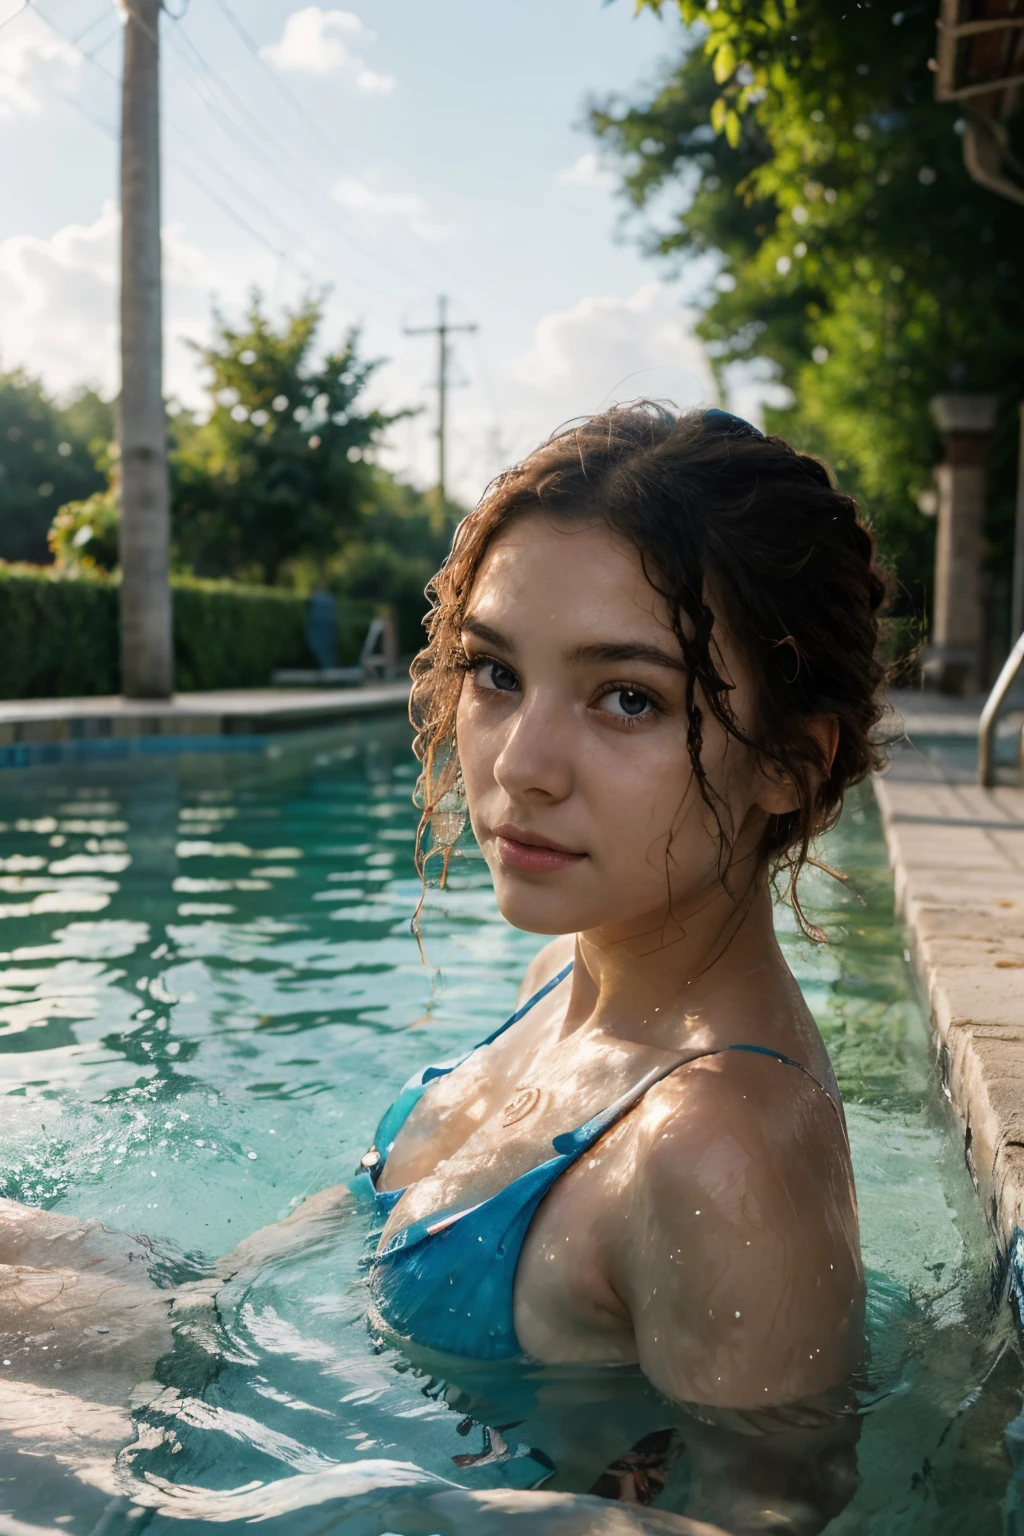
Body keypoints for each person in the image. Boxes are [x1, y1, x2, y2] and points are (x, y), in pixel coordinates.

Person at [356, 402, 883, 1412]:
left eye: (627, 698)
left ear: (788, 765)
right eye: (498, 674)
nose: (519, 765)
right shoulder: (560, 974)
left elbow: (766, 1516)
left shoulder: (719, 1158)